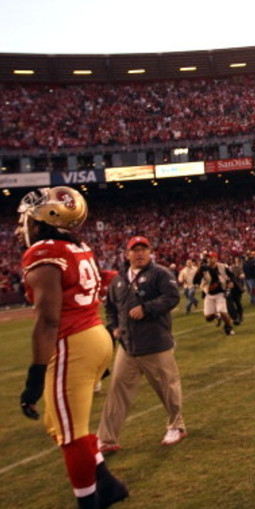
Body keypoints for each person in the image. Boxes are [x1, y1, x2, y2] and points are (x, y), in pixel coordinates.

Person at [16, 186, 128, 509]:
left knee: (71, 434)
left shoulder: (43, 251)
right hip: (94, 335)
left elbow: (48, 320)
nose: (20, 227)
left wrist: (34, 375)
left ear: (39, 221)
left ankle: (89, 502)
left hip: (72, 342)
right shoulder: (76, 246)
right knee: (58, 424)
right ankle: (106, 483)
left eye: (24, 220)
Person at [97, 236, 186, 452]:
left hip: (156, 343)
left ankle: (177, 426)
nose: (139, 253)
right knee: (117, 391)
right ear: (127, 254)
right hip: (128, 346)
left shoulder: (160, 274)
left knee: (167, 387)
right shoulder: (118, 279)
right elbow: (110, 307)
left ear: (150, 252)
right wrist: (114, 326)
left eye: (143, 249)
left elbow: (172, 297)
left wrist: (147, 308)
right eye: (134, 250)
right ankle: (106, 438)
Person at [196, 251, 236, 335]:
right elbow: (197, 280)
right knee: (208, 317)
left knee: (223, 311)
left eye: (211, 257)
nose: (209, 259)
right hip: (209, 294)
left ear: (215, 258)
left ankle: (229, 327)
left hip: (220, 293)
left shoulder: (222, 267)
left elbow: (231, 275)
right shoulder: (204, 268)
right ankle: (217, 316)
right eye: (208, 258)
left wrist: (231, 282)